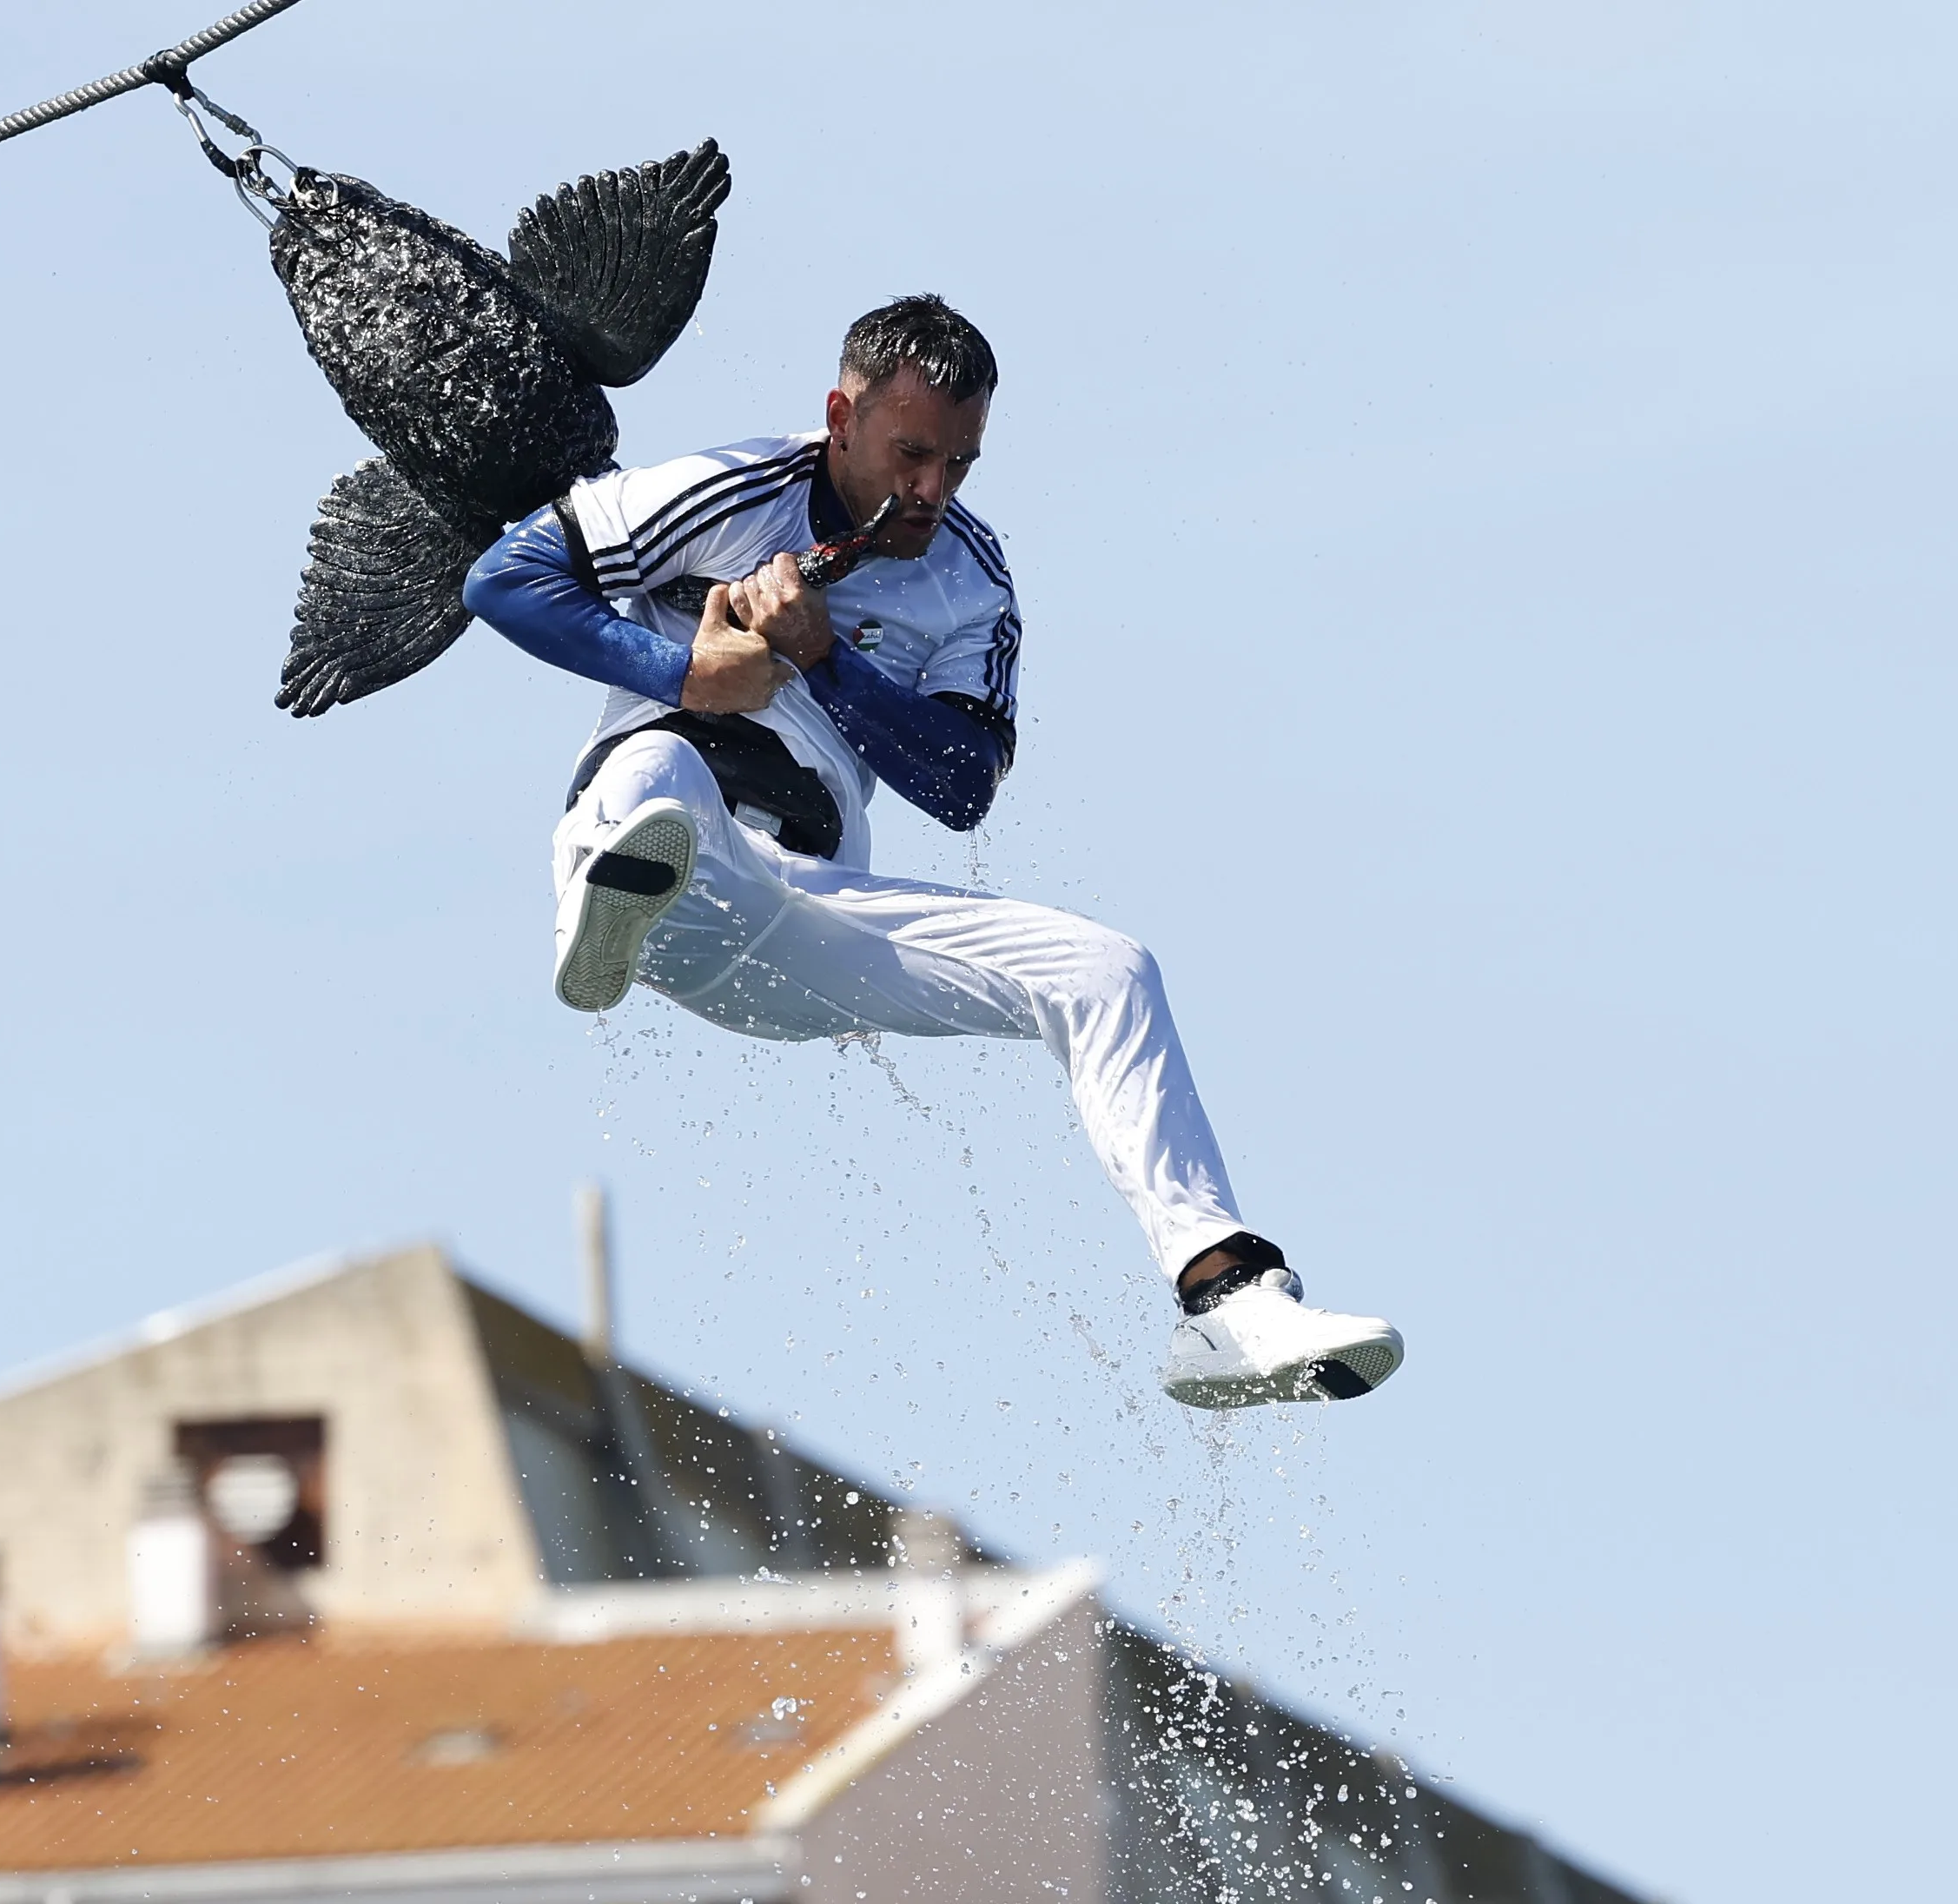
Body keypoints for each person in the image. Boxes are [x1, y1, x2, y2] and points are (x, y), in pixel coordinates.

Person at [462, 296, 1402, 1408]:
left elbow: (960, 788)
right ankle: (605, 908)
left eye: (959, 461)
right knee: (656, 776)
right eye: (911, 453)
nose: (931, 490)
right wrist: (690, 675)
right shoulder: (725, 488)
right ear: (840, 416)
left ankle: (1229, 1304)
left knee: (1107, 971)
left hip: (811, 913)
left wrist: (824, 658)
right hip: (670, 839)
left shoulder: (972, 577)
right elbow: (502, 581)